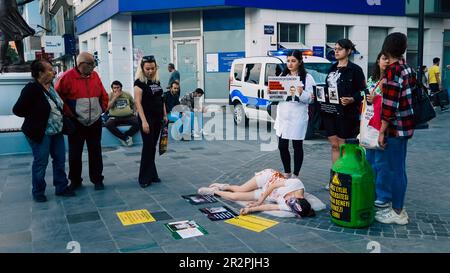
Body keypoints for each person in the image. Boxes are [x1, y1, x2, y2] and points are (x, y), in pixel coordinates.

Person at [12, 59, 75, 202]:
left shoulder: (50, 86)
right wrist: (35, 116)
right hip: (41, 133)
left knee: (59, 159)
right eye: (49, 69)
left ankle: (61, 187)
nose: (53, 72)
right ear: (40, 73)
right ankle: (38, 191)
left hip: (56, 131)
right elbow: (17, 110)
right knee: (41, 162)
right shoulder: (31, 89)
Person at [375, 32, 415, 225]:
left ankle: (398, 212)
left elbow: (390, 105)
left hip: (395, 128)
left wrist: (382, 131)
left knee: (394, 169)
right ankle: (397, 208)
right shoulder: (406, 68)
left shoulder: (394, 71)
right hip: (405, 126)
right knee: (399, 168)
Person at [55, 52, 109, 191]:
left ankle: (97, 179)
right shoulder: (66, 77)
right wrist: (69, 114)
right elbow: (58, 98)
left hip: (95, 121)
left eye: (93, 64)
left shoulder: (95, 76)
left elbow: (104, 94)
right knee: (75, 153)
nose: (93, 67)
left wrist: (102, 108)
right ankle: (75, 180)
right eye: (90, 64)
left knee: (95, 151)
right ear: (80, 65)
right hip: (76, 122)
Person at [322, 39, 366, 189]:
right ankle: (334, 178)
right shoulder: (332, 68)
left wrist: (352, 99)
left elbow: (363, 91)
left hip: (347, 113)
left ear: (348, 51)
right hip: (330, 111)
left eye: (340, 49)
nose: (336, 51)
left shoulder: (355, 70)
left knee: (343, 146)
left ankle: (343, 177)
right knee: (334, 145)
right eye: (335, 49)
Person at [197, 169, 316, 217]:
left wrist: (250, 210)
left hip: (267, 194)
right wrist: (259, 202)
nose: (285, 201)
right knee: (241, 189)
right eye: (288, 200)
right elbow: (273, 186)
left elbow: (270, 206)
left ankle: (214, 192)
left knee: (235, 196)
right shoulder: (296, 184)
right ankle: (225, 186)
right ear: (297, 197)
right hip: (269, 178)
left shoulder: (292, 207)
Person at [273, 49, 315, 178]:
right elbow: (275, 96)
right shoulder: (282, 76)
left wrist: (301, 93)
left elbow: (311, 99)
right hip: (283, 115)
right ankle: (287, 172)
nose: (290, 64)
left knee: (297, 145)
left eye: (293, 61)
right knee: (282, 145)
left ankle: (296, 174)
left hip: (297, 116)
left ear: (300, 62)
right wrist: (272, 92)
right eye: (288, 61)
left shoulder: (307, 78)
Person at [134, 55, 168, 188]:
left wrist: (165, 115)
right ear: (142, 68)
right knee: (148, 147)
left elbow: (161, 99)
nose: (150, 71)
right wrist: (143, 121)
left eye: (152, 68)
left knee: (152, 147)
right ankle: (143, 178)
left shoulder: (156, 82)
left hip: (158, 118)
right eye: (147, 69)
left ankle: (152, 174)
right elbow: (138, 103)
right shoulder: (139, 83)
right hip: (146, 118)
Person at [364, 52, 391, 208]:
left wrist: (376, 98)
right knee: (370, 161)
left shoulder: (390, 80)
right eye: (383, 58)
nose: (386, 61)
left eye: (388, 58)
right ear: (378, 60)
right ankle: (371, 191)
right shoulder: (372, 79)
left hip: (382, 124)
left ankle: (382, 195)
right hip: (370, 122)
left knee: (381, 162)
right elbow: (365, 97)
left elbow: (390, 102)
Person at [105, 80, 139, 147]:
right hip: (114, 116)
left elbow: (133, 103)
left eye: (118, 87)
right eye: (114, 88)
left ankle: (127, 135)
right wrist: (115, 97)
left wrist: (134, 111)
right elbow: (108, 107)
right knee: (108, 124)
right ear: (112, 89)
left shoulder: (127, 94)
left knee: (139, 122)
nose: (116, 89)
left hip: (128, 116)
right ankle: (124, 138)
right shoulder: (110, 95)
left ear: (121, 88)